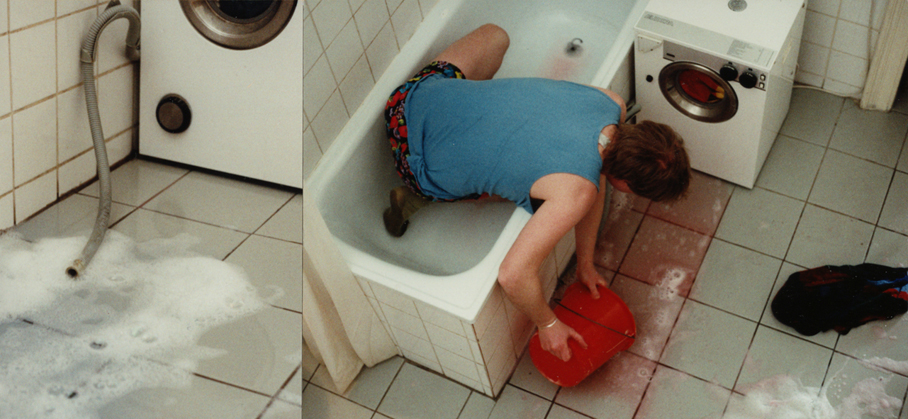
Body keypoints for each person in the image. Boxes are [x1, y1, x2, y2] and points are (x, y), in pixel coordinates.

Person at [383, 24, 691, 362]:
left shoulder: (610, 103)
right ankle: (415, 198)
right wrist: (548, 323)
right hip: (412, 161)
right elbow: (512, 275)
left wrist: (585, 263)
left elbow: (594, 179)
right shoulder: (576, 190)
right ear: (627, 184)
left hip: (409, 97)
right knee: (518, 185)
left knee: (496, 36)